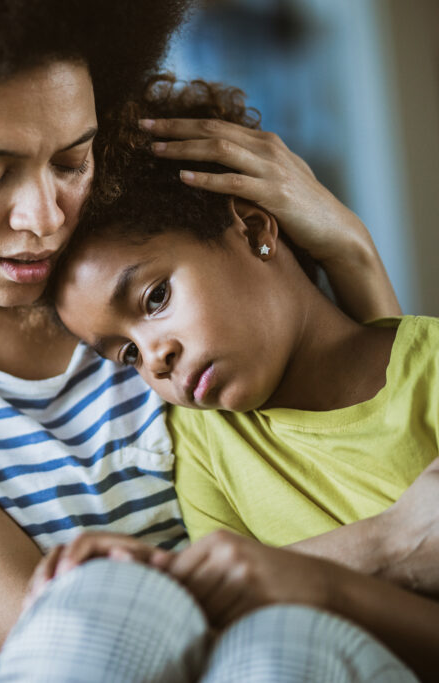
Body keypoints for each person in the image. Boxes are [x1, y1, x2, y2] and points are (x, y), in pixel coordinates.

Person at [0, 2, 420, 680]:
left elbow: (373, 457)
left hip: (285, 655)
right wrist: (376, 548)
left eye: (71, 159)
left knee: (283, 650)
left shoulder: (132, 271)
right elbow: (48, 626)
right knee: (99, 600)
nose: (45, 217)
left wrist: (349, 248)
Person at [45, 75, 439, 680]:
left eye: (155, 298)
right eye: (124, 355)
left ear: (255, 229)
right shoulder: (203, 447)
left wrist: (309, 583)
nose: (154, 360)